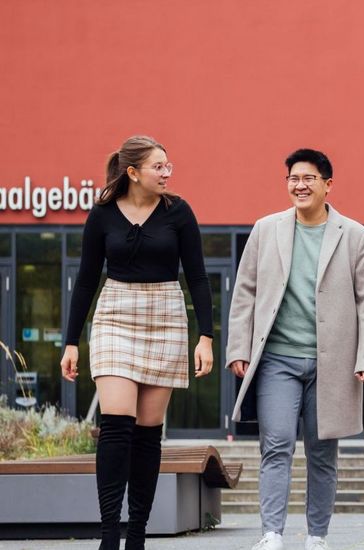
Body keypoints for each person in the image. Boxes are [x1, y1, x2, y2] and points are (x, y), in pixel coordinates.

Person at [60, 135, 214, 550]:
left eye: (169, 166)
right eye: (158, 167)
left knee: (148, 432)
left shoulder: (179, 213)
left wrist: (206, 336)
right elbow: (87, 279)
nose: (167, 173)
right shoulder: (102, 215)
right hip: (114, 313)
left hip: (165, 315)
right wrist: (70, 341)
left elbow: (197, 277)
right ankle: (110, 534)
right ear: (132, 172)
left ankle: (138, 535)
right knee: (116, 423)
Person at [226, 148, 364, 550]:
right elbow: (244, 292)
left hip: (332, 362)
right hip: (277, 358)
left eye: (309, 178)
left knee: (322, 452)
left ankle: (316, 535)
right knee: (275, 443)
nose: (300, 185)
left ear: (328, 184)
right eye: (293, 178)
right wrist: (238, 347)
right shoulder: (266, 230)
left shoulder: (355, 235)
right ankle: (272, 533)